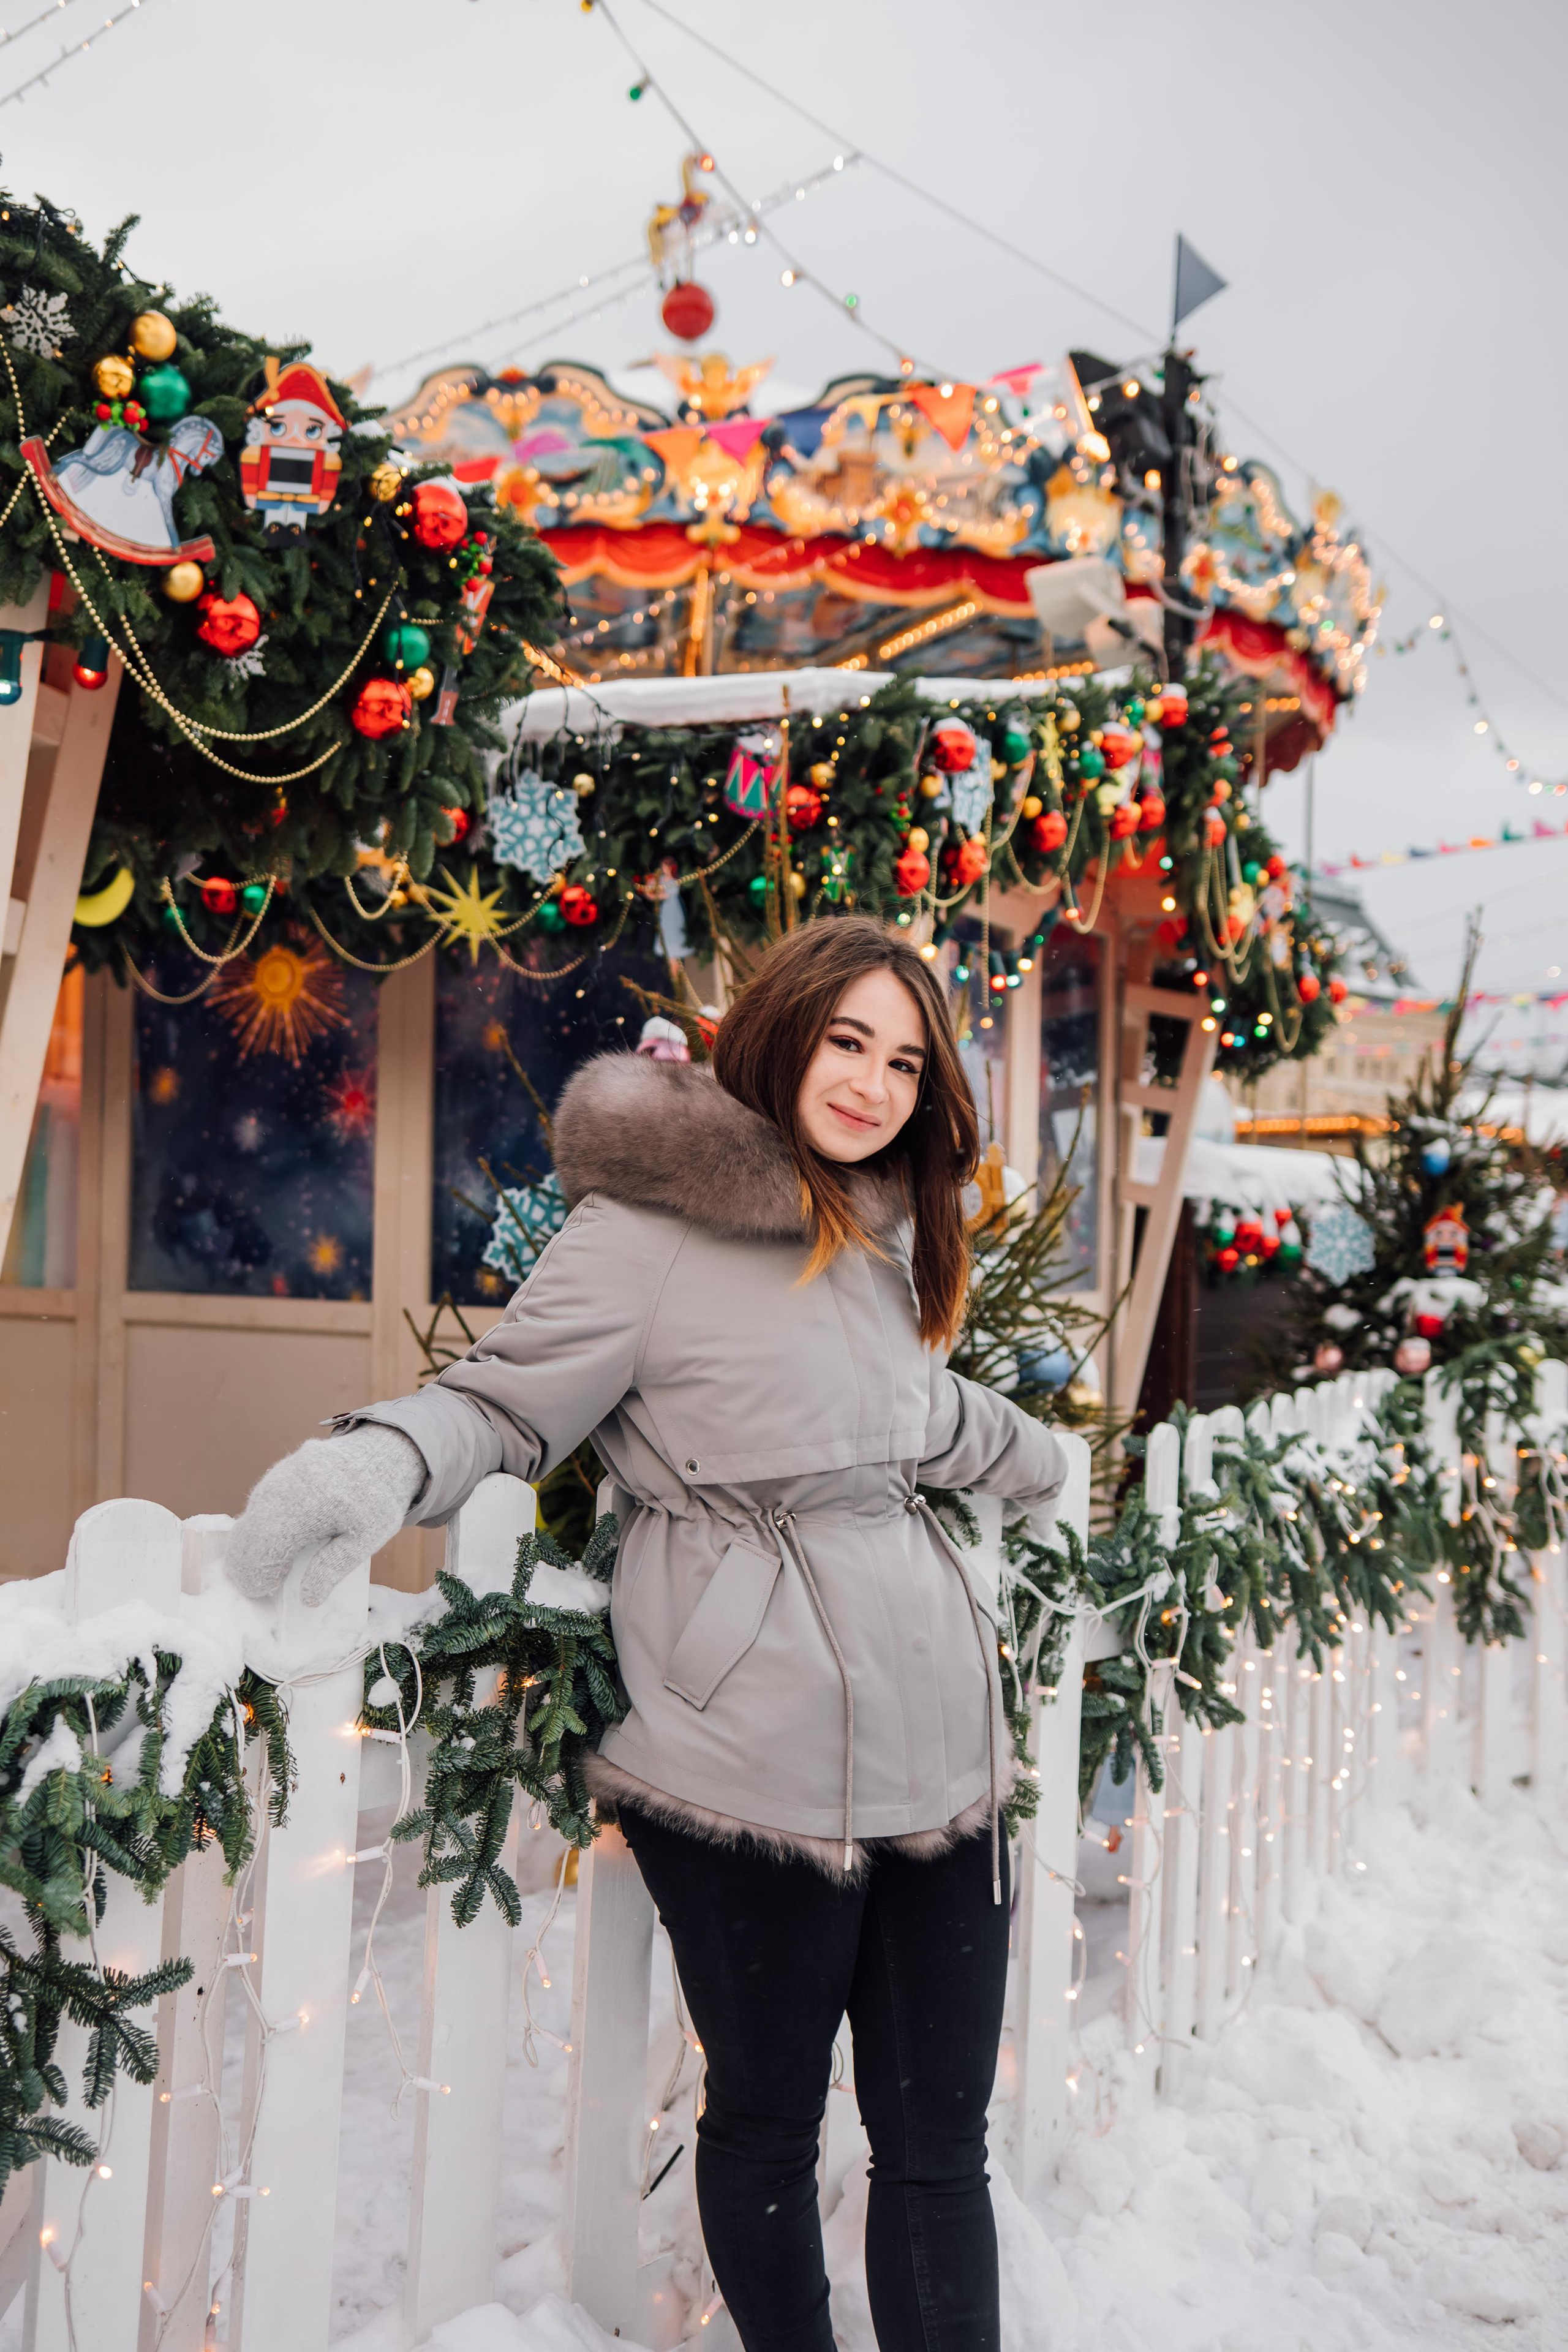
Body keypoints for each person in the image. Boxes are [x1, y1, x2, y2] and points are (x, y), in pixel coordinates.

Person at [227, 916, 1065, 2352]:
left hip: (942, 1750)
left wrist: (1041, 1462)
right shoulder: (649, 1229)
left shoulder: (877, 1224)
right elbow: (502, 1401)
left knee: (940, 2141)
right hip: (743, 1751)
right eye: (847, 1040)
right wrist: (374, 1462)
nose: (870, 1083)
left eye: (905, 1061)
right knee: (767, 2118)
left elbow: (910, 1419)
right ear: (785, 1027)